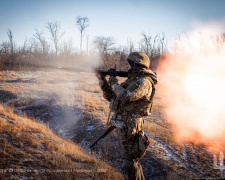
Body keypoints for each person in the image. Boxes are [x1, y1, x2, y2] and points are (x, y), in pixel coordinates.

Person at [96, 52, 158, 180]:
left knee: (130, 162)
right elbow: (112, 97)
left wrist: (113, 80)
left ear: (136, 65)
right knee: (130, 161)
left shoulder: (143, 82)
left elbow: (125, 96)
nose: (126, 66)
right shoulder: (132, 80)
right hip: (124, 124)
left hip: (130, 125)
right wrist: (102, 81)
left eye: (128, 64)